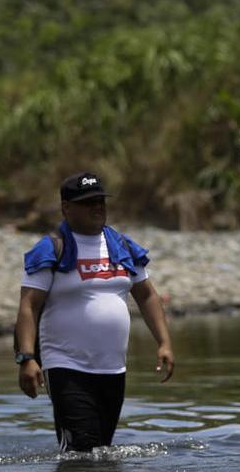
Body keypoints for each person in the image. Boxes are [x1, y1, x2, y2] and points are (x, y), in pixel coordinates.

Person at [13, 171, 175, 453]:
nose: (97, 207)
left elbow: (147, 295)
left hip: (112, 367)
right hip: (65, 366)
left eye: (100, 201)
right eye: (88, 202)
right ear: (66, 207)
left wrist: (164, 342)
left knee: (102, 450)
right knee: (81, 451)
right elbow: (29, 305)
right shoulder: (52, 249)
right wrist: (26, 358)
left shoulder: (122, 247)